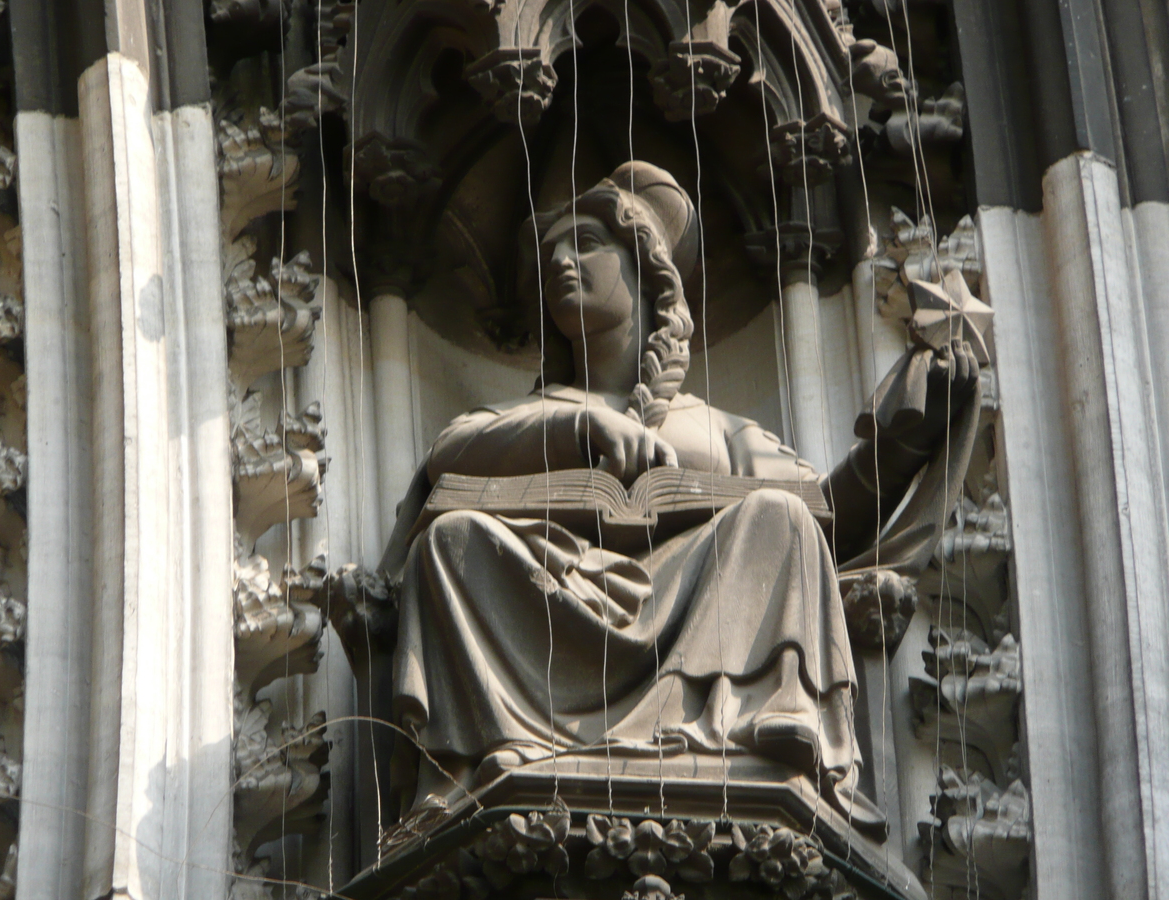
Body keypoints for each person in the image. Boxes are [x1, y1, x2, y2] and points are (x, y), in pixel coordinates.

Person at [386, 162, 979, 832]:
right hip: (557, 606)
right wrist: (580, 425)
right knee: (451, 542)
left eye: (584, 243)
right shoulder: (533, 417)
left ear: (646, 269)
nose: (560, 262)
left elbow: (827, 521)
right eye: (550, 252)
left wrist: (899, 444)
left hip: (696, 605)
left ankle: (738, 727)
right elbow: (449, 455)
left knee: (780, 517)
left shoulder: (711, 427)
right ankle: (506, 739)